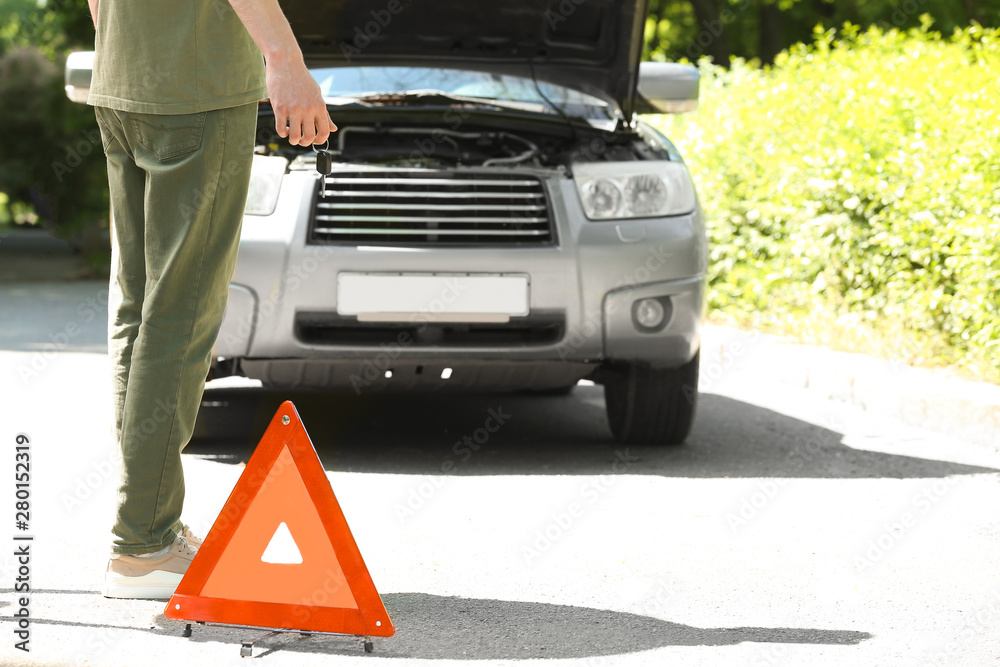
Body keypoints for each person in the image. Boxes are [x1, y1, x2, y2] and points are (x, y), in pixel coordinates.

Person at [86, 0, 336, 599]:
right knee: (181, 309)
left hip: (121, 81)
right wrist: (286, 62)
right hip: (196, 91)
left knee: (139, 305)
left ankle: (144, 529)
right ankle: (143, 545)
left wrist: (127, 50)